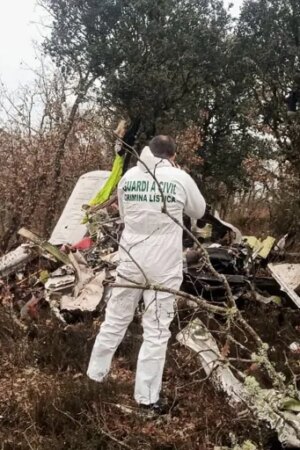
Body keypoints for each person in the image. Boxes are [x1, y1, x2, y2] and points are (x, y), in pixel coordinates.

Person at [87, 135, 206, 413]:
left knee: (115, 320)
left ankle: (95, 377)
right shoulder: (179, 178)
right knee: (155, 331)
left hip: (130, 260)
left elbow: (126, 217)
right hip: (164, 266)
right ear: (172, 156)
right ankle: (147, 398)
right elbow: (198, 211)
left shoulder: (128, 177)